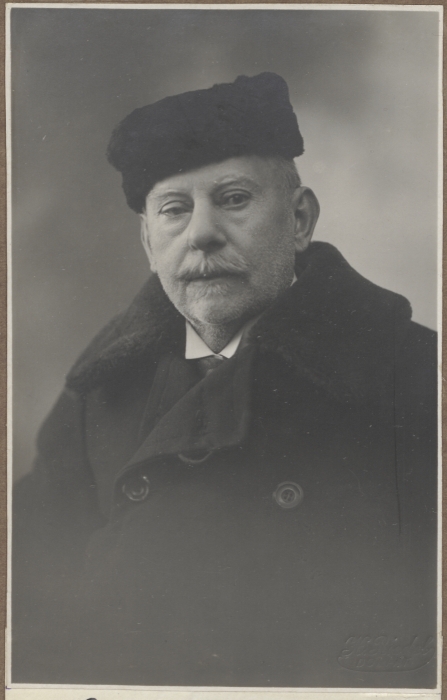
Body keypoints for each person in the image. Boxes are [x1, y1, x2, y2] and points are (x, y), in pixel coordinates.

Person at [12, 72, 437, 688]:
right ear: (148, 243)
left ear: (299, 220)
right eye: (174, 210)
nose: (202, 233)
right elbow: (29, 590)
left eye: (234, 199)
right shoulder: (100, 389)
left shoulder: (415, 378)